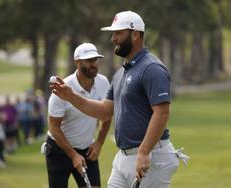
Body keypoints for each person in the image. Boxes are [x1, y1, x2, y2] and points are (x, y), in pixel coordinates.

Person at [50, 11, 189, 188]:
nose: (113, 38)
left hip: (151, 156)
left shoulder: (151, 68)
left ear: (136, 34)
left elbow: (162, 113)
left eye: (119, 33)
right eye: (113, 33)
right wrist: (70, 96)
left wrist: (144, 152)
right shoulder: (122, 72)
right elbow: (104, 111)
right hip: (124, 156)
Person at [44, 43, 111, 188]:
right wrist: (73, 155)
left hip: (86, 149)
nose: (93, 64)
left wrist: (99, 142)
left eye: (95, 60)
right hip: (59, 149)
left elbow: (106, 115)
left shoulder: (103, 82)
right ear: (77, 62)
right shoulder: (63, 89)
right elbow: (54, 127)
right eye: (88, 60)